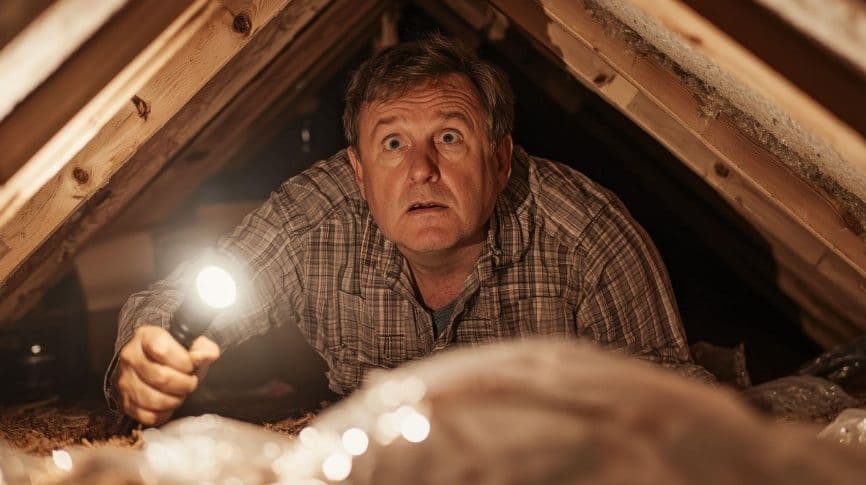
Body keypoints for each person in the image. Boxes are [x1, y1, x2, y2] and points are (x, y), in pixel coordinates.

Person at [106, 35, 710, 426]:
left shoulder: (586, 238)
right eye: (393, 144)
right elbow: (166, 303)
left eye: (449, 138)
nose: (422, 170)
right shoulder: (315, 220)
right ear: (360, 172)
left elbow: (682, 411)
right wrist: (147, 358)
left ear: (500, 161)